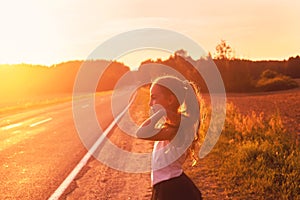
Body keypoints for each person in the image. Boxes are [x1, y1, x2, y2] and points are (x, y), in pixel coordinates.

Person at [136, 75, 203, 200]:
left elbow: (141, 133)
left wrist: (161, 112)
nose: (150, 103)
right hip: (166, 184)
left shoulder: (177, 128)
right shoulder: (172, 125)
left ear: (171, 100)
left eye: (154, 98)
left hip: (171, 188)